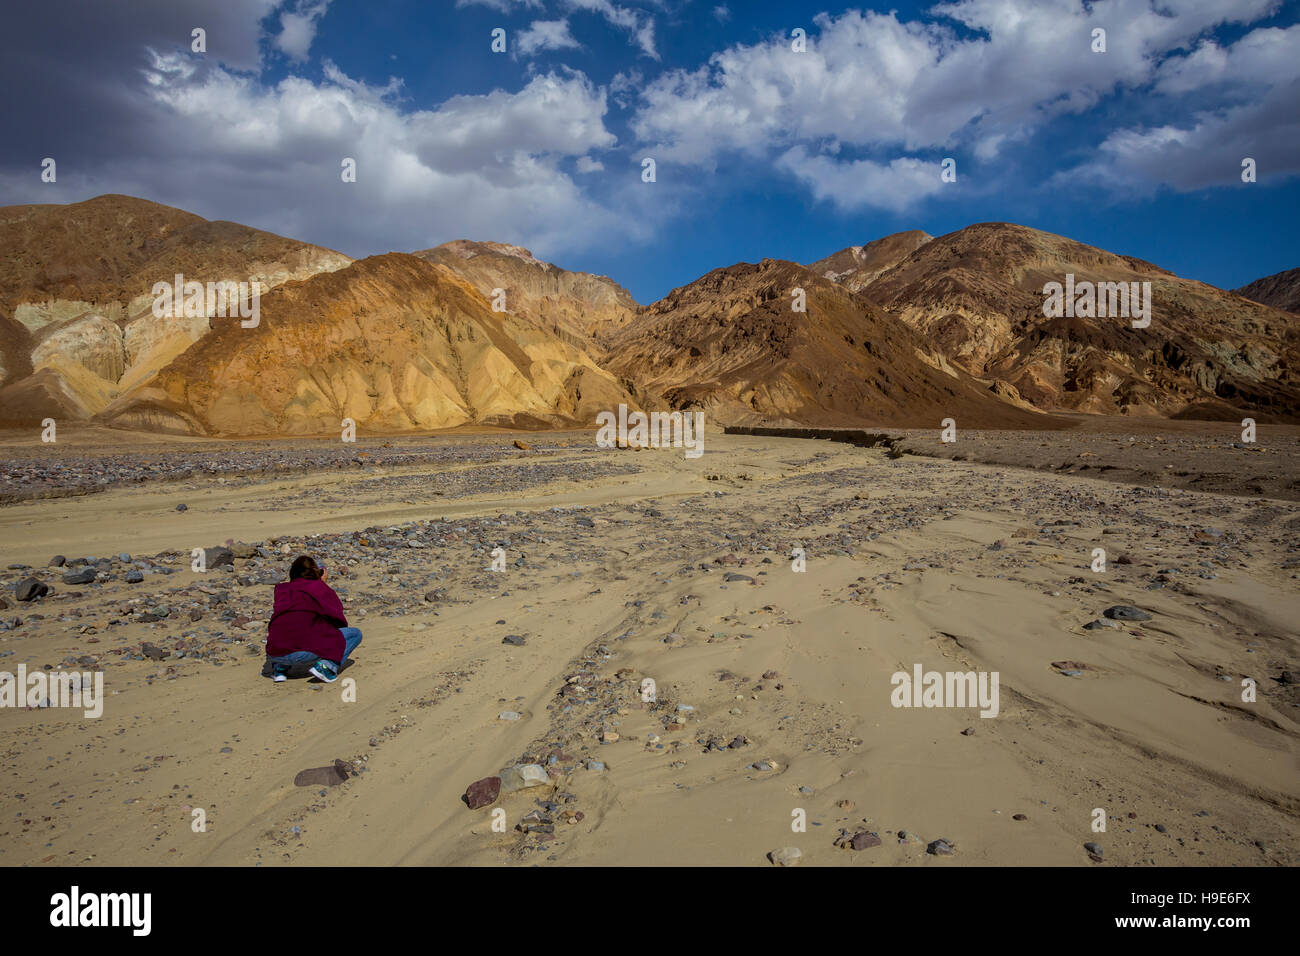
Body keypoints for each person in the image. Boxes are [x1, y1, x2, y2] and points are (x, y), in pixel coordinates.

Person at [265, 555, 361, 684]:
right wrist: (322, 584)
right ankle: (327, 667)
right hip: (303, 654)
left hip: (274, 652)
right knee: (354, 634)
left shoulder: (282, 589)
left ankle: (280, 669)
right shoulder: (318, 587)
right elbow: (338, 619)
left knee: (287, 629)